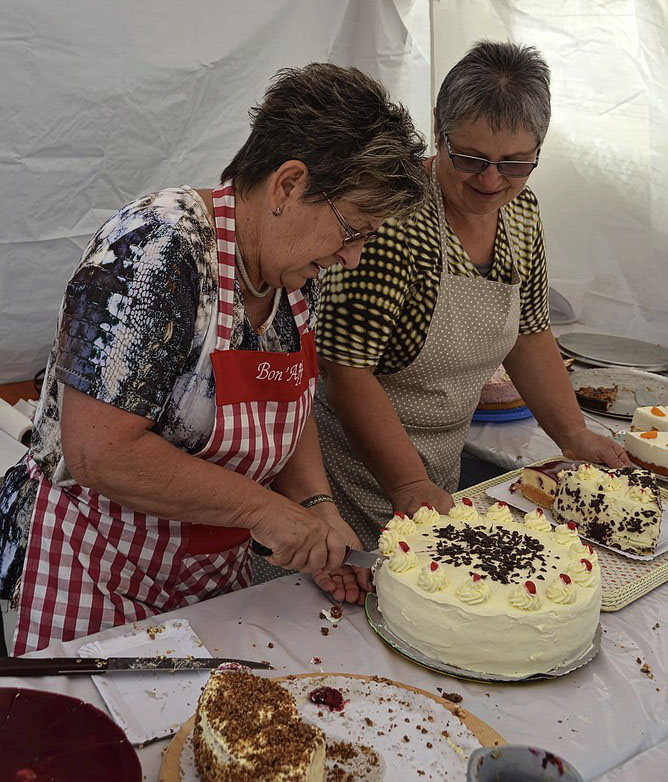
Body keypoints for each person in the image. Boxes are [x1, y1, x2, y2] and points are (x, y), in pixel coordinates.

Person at [0, 63, 429, 654]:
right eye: (352, 229)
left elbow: (288, 402)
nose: (352, 257)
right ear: (288, 185)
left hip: (210, 580)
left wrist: (315, 507)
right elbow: (98, 451)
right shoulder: (159, 249)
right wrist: (263, 511)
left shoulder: (296, 276)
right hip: (97, 574)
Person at [314, 41, 630, 550]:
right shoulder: (393, 218)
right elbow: (346, 368)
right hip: (350, 470)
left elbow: (529, 334)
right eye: (470, 158)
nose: (490, 180)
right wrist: (407, 482)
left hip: (440, 458)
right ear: (438, 127)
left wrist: (573, 435)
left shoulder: (522, 213)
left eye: (514, 163)